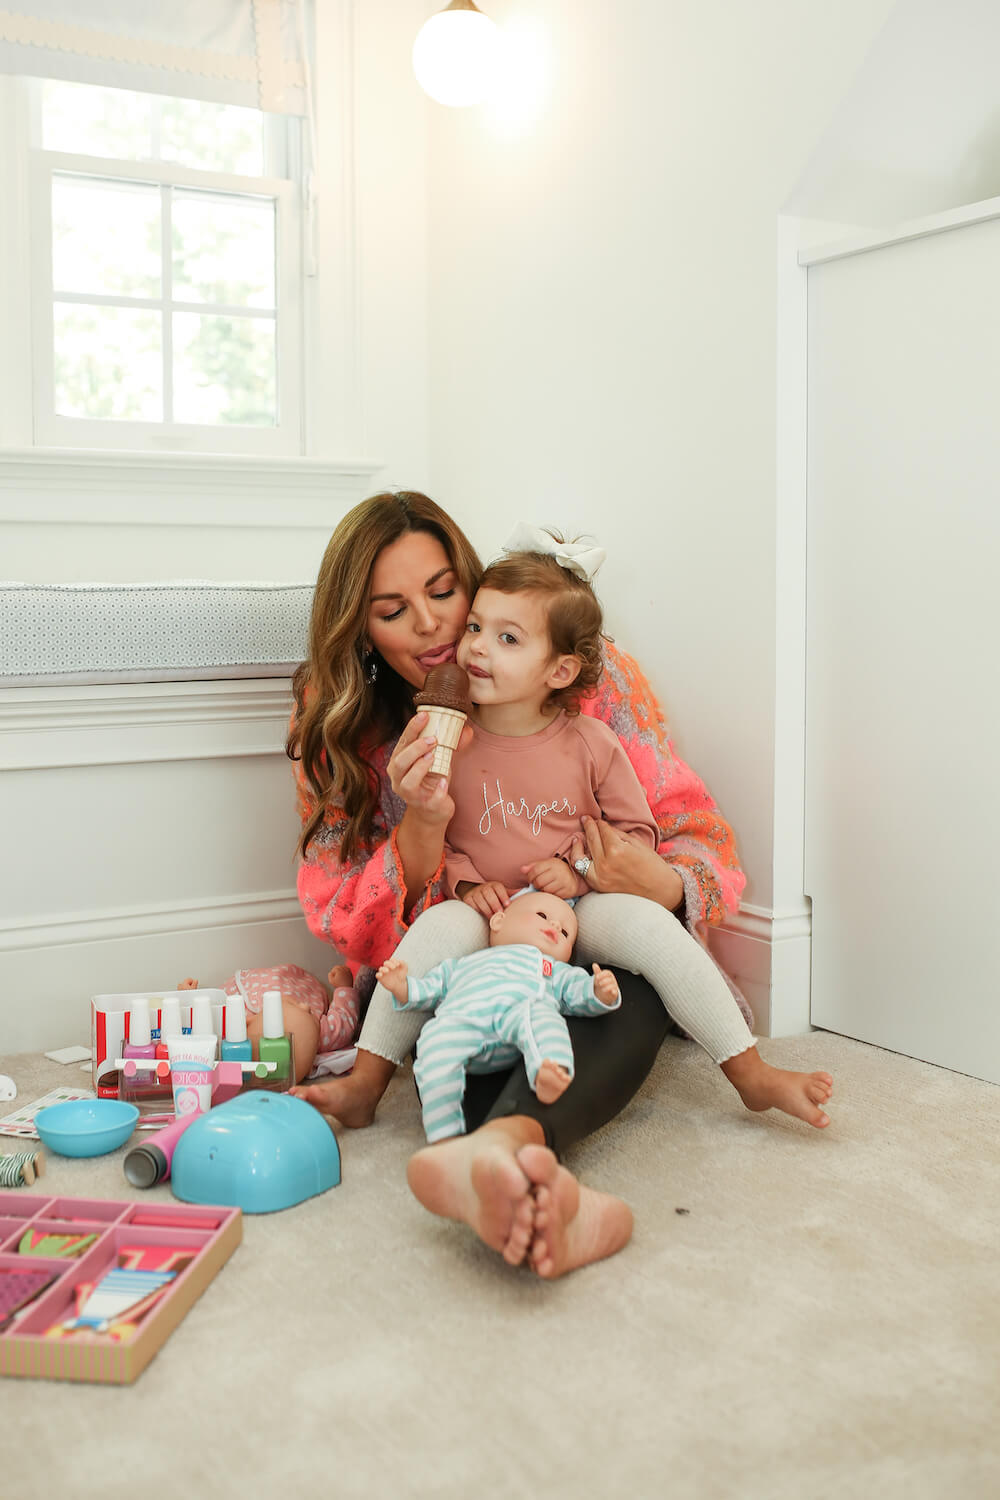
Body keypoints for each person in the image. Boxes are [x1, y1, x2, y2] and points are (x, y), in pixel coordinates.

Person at [286, 490, 743, 1277]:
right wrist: (422, 832)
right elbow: (343, 918)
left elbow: (699, 835)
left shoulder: (580, 678)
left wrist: (661, 884)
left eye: (443, 594)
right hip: (447, 969)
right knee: (469, 1032)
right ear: (360, 630)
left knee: (621, 983)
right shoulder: (344, 721)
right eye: (393, 610)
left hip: (584, 944)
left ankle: (504, 1154)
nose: (433, 628)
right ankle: (525, 1178)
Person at [439, 528, 833, 1127]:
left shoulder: (590, 741)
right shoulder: (454, 738)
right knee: (432, 935)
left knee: (653, 928)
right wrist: (467, 888)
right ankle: (366, 1077)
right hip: (491, 916)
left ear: (561, 670)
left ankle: (749, 1073)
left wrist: (576, 869)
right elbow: (441, 838)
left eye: (507, 637)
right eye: (474, 627)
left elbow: (639, 834)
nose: (476, 648)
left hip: (581, 904)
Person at [377, 890, 621, 1140]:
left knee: (543, 1017)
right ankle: (444, 1134)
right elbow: (429, 990)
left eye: (566, 933)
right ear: (498, 921)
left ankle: (549, 1070)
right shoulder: (462, 964)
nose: (556, 926)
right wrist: (402, 986)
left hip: (519, 1016)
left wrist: (599, 992)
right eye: (542, 915)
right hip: (463, 1022)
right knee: (433, 1038)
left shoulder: (551, 967)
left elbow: (576, 992)